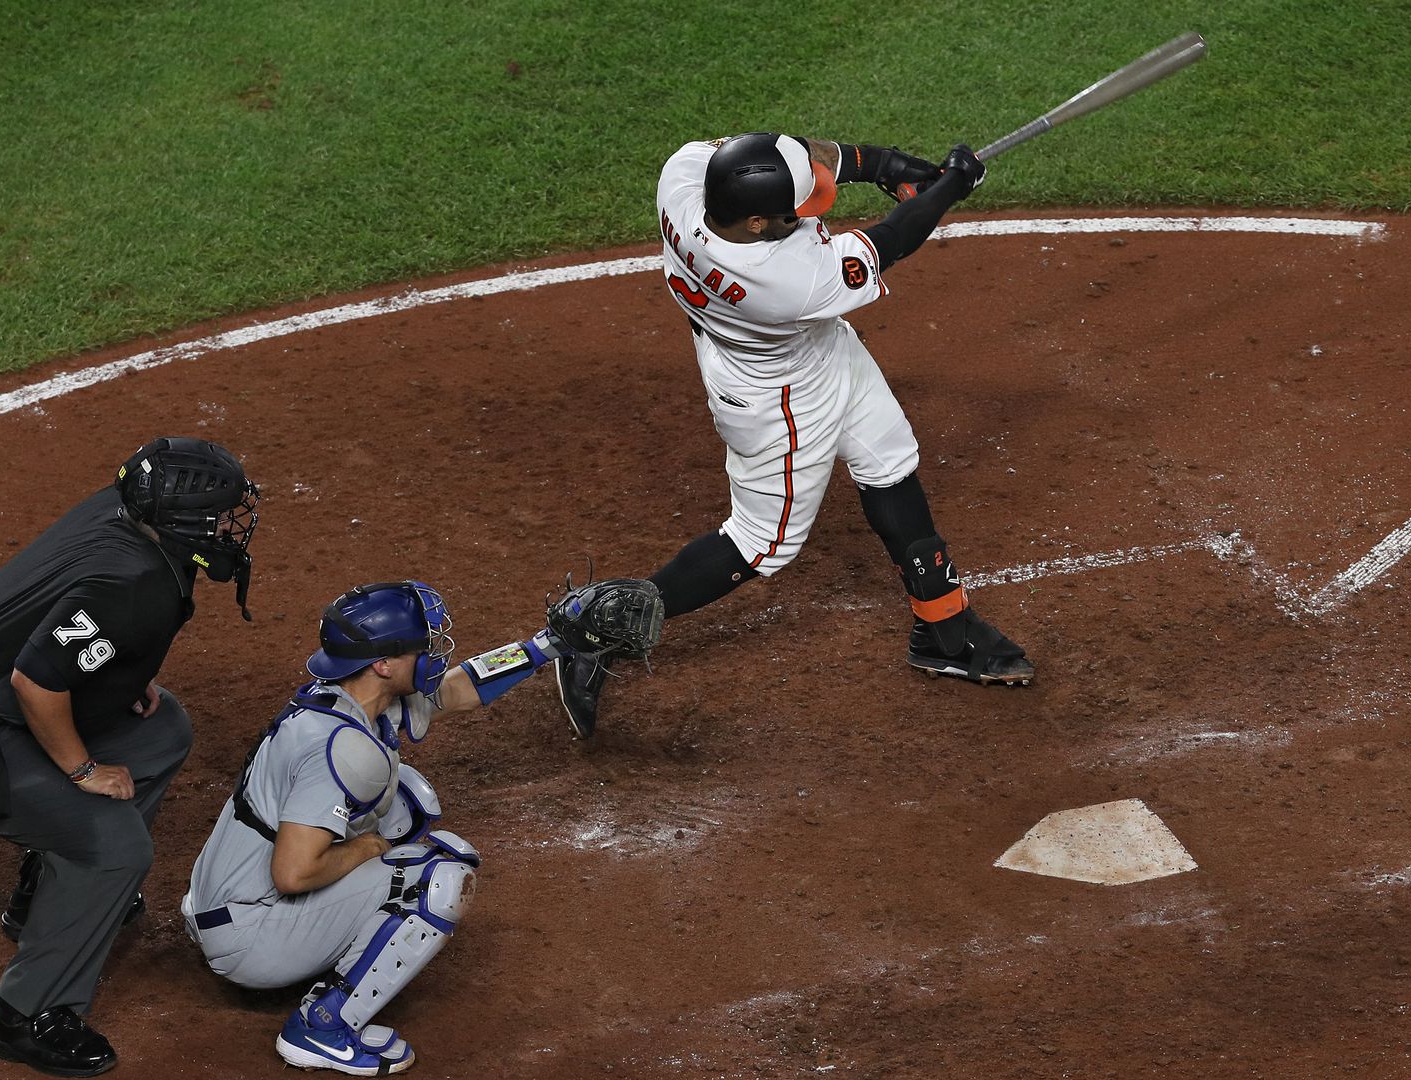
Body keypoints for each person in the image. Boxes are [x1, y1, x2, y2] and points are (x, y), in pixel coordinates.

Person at [554, 132, 1034, 739]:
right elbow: (891, 241)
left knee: (889, 460)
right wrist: (948, 189)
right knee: (761, 542)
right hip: (776, 394)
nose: (809, 214)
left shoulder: (684, 174)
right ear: (757, 223)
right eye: (795, 213)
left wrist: (879, 163)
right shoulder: (784, 281)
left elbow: (795, 150)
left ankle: (945, 628)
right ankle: (595, 631)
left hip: (814, 350)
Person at [0, 437, 260, 1077]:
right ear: (188, 522)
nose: (236, 522)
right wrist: (83, 772)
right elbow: (38, 680)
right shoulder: (137, 581)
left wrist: (119, 674)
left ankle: (47, 892)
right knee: (115, 847)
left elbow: (63, 618)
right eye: (226, 513)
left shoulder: (124, 518)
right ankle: (26, 1015)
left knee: (161, 730)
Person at [183, 581, 576, 1076]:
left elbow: (457, 687)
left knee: (406, 805)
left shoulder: (348, 697)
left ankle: (325, 944)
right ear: (383, 664)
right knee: (439, 878)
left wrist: (545, 646)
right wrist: (367, 849)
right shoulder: (340, 750)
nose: (433, 654)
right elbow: (293, 874)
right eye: (421, 646)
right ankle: (321, 1028)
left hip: (216, 903)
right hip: (248, 937)